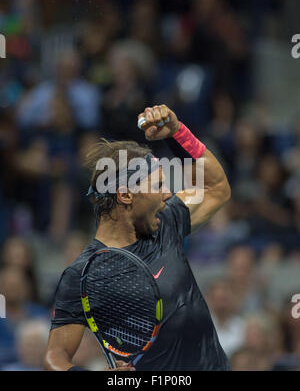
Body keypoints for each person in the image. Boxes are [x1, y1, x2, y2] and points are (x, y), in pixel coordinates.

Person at [44, 104, 231, 371]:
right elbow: (54, 359)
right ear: (125, 195)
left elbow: (216, 188)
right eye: (157, 186)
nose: (168, 194)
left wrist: (177, 133)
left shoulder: (166, 222)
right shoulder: (83, 275)